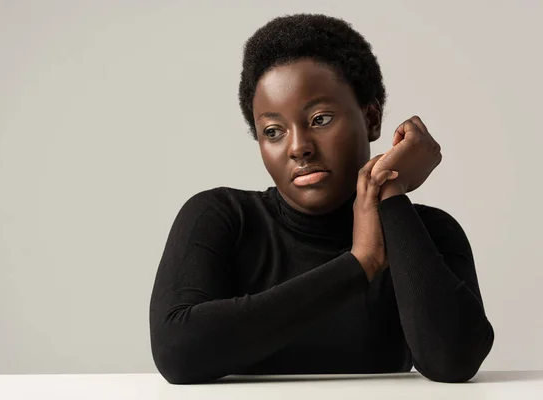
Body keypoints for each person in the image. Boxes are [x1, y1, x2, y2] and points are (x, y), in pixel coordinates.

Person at [149, 13, 494, 385]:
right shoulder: (222, 218)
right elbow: (177, 352)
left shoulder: (428, 232)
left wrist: (389, 188)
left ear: (372, 118)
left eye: (320, 119)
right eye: (273, 131)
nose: (298, 147)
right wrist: (359, 265)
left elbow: (453, 360)